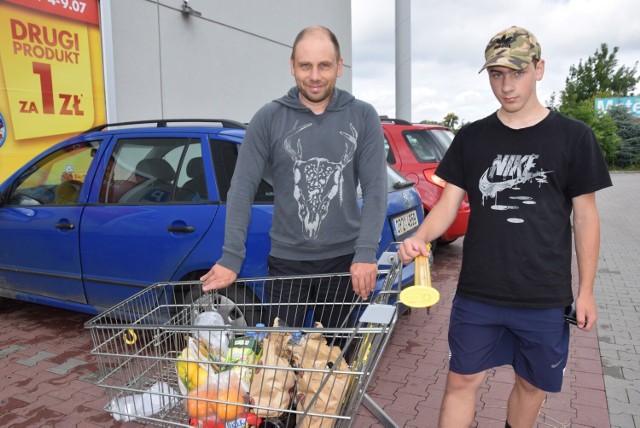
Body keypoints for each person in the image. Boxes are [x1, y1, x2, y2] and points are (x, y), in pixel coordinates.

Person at [397, 26, 612, 427]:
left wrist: (586, 292)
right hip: (480, 291)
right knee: (461, 379)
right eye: (496, 74)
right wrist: (420, 236)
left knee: (531, 385)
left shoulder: (574, 137)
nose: (506, 85)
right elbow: (448, 205)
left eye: (517, 73)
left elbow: (586, 217)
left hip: (544, 294)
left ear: (539, 69)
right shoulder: (471, 137)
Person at [201, 26, 387, 329]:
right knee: (279, 363)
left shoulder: (362, 117)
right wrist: (231, 256)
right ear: (292, 66)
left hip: (344, 263)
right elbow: (242, 188)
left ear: (339, 66)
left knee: (335, 363)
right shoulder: (268, 118)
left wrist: (366, 253)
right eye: (305, 66)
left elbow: (376, 190)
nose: (314, 76)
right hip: (287, 266)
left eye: (324, 65)